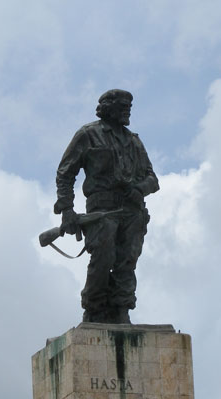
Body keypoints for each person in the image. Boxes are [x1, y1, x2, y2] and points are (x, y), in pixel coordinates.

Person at [54, 89, 159, 323]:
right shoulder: (88, 134)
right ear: (107, 107)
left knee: (127, 260)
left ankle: (122, 310)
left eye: (129, 106)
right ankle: (94, 309)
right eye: (122, 105)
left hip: (133, 210)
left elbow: (153, 178)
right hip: (102, 209)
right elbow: (65, 173)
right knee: (103, 258)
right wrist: (67, 210)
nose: (127, 110)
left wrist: (140, 188)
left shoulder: (134, 141)